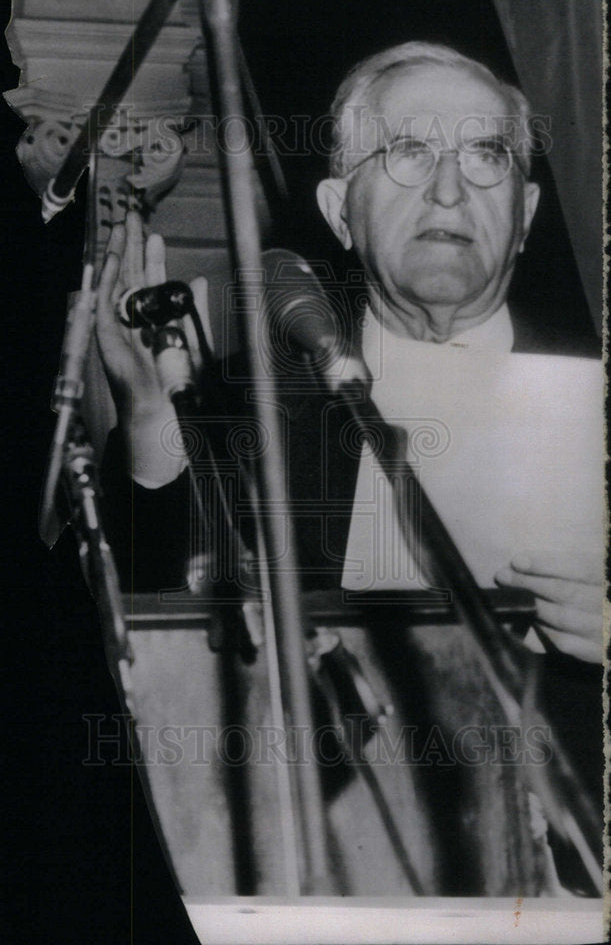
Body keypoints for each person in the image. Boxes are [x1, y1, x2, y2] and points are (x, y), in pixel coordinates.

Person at [97, 42, 602, 665]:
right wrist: (151, 423)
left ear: (523, 216)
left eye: (485, 155)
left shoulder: (596, 398)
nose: (449, 191)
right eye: (408, 153)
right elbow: (148, 642)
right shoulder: (245, 416)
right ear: (340, 212)